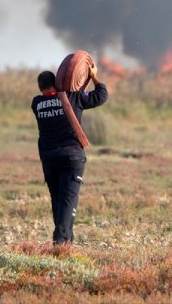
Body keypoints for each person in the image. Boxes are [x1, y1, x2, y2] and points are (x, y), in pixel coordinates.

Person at [32, 65, 108, 245]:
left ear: (40, 88)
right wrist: (93, 76)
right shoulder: (73, 98)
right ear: (57, 83)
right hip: (71, 157)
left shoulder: (36, 103)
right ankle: (60, 240)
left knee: (58, 200)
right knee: (68, 199)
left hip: (49, 159)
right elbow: (101, 96)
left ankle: (67, 241)